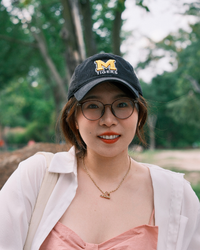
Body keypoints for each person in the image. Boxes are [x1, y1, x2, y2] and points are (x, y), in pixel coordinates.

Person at [0, 53, 199, 250]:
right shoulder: (36, 177)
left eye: (122, 105)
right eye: (93, 106)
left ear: (139, 115)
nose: (108, 120)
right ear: (74, 119)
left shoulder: (177, 195)